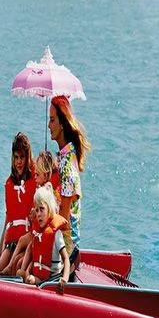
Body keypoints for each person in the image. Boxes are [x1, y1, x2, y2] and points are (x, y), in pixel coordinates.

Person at [48, 94, 91, 264]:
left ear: (62, 124)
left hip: (65, 249)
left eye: (52, 120)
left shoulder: (66, 166)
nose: (49, 125)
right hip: (65, 242)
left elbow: (63, 219)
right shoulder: (65, 157)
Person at [0, 147, 54, 275]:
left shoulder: (46, 187)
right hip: (29, 233)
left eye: (38, 175)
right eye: (16, 158)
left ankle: (19, 270)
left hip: (37, 233)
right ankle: (18, 270)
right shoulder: (36, 186)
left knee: (21, 250)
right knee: (20, 254)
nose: (35, 177)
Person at [0, 133, 35, 275]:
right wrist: (0, 253)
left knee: (16, 265)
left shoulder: (35, 178)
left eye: (22, 157)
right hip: (11, 241)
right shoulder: (9, 184)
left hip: (27, 241)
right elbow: (8, 220)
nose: (19, 162)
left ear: (28, 157)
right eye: (16, 157)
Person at [18, 184, 70, 291]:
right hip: (39, 275)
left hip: (51, 279)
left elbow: (66, 259)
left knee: (30, 279)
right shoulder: (38, 233)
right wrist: (26, 270)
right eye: (37, 210)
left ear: (49, 209)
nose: (38, 214)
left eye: (42, 209)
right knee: (19, 272)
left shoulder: (56, 234)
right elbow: (33, 253)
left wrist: (65, 278)